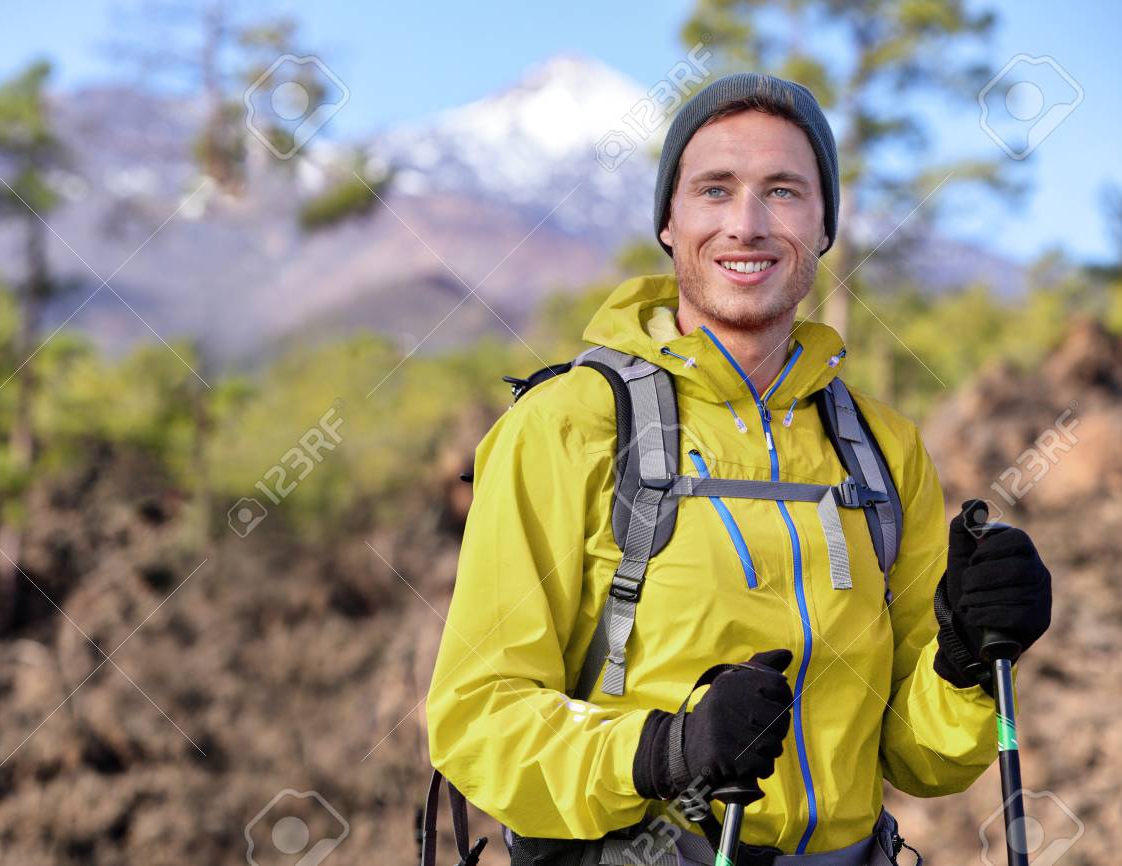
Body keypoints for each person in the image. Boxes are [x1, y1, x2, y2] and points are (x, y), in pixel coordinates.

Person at [424, 73, 1052, 865]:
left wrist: (964, 663)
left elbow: (919, 760)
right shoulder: (565, 427)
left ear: (824, 225)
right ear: (668, 221)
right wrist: (666, 751)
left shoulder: (883, 449)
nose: (747, 225)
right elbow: (476, 721)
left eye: (784, 192)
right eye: (714, 191)